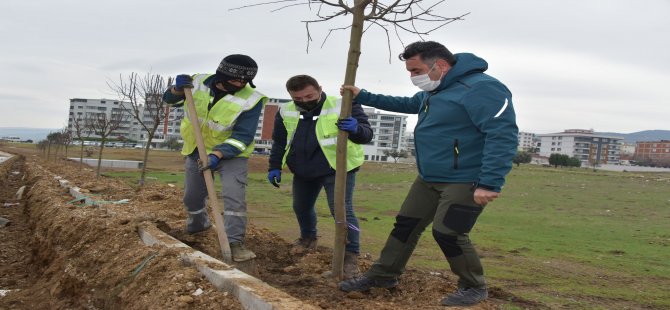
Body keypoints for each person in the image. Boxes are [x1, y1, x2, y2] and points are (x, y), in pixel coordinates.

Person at [337, 41, 518, 307]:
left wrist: (490, 182)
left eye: (415, 70)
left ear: (441, 65)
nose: (412, 76)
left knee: (449, 232)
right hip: (429, 177)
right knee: (405, 225)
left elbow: (502, 135)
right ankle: (383, 275)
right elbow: (410, 104)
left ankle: (473, 286)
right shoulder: (437, 89)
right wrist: (363, 95)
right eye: (409, 71)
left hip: (465, 178)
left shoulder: (483, 88)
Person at [162, 54, 268, 262]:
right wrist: (176, 89)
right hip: (196, 149)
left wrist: (218, 154)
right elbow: (170, 101)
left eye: (245, 81)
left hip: (231, 155)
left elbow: (243, 136)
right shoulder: (198, 83)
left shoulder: (251, 99)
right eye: (235, 80)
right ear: (222, 74)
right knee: (192, 196)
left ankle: (235, 242)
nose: (240, 84)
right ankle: (198, 222)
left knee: (233, 197)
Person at [267, 74, 373, 279]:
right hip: (303, 168)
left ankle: (350, 257)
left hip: (337, 168)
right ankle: (308, 238)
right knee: (301, 207)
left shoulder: (344, 104)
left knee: (342, 212)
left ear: (320, 89)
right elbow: (279, 141)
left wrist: (355, 128)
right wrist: (274, 166)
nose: (305, 102)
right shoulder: (286, 110)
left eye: (309, 96)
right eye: (298, 99)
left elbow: (366, 135)